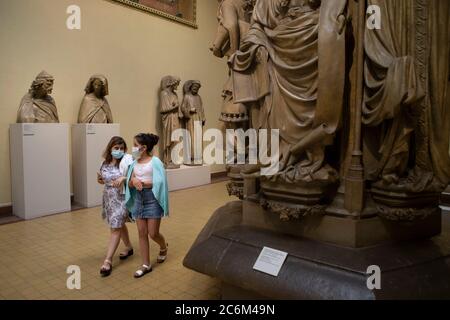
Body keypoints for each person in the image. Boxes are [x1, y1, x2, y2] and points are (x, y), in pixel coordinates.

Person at [125, 133, 169, 278]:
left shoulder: (155, 162)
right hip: (138, 199)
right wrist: (133, 182)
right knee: (142, 233)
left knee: (153, 233)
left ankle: (163, 246)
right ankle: (146, 265)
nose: (133, 148)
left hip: (152, 199)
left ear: (143, 148)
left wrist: (142, 183)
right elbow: (130, 181)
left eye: (135, 145)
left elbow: (161, 182)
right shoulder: (133, 162)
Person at [98, 136, 134, 277]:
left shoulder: (126, 162)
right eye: (116, 148)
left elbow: (134, 177)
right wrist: (100, 180)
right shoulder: (105, 163)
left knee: (115, 228)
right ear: (110, 148)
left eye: (121, 148)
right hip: (109, 199)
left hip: (122, 199)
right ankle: (129, 247)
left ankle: (108, 261)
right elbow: (103, 179)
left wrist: (124, 178)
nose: (119, 151)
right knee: (119, 225)